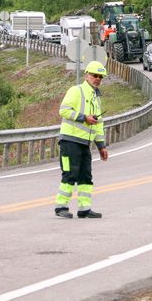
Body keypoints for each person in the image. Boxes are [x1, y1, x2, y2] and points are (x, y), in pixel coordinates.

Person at [54, 60, 109, 219]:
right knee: (70, 174)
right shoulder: (76, 90)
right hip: (70, 140)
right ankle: (61, 206)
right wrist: (83, 117)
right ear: (87, 75)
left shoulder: (96, 98)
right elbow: (63, 110)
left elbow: (98, 124)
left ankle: (84, 208)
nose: (97, 78)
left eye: (100, 76)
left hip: (85, 143)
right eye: (94, 75)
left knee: (86, 176)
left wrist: (101, 146)